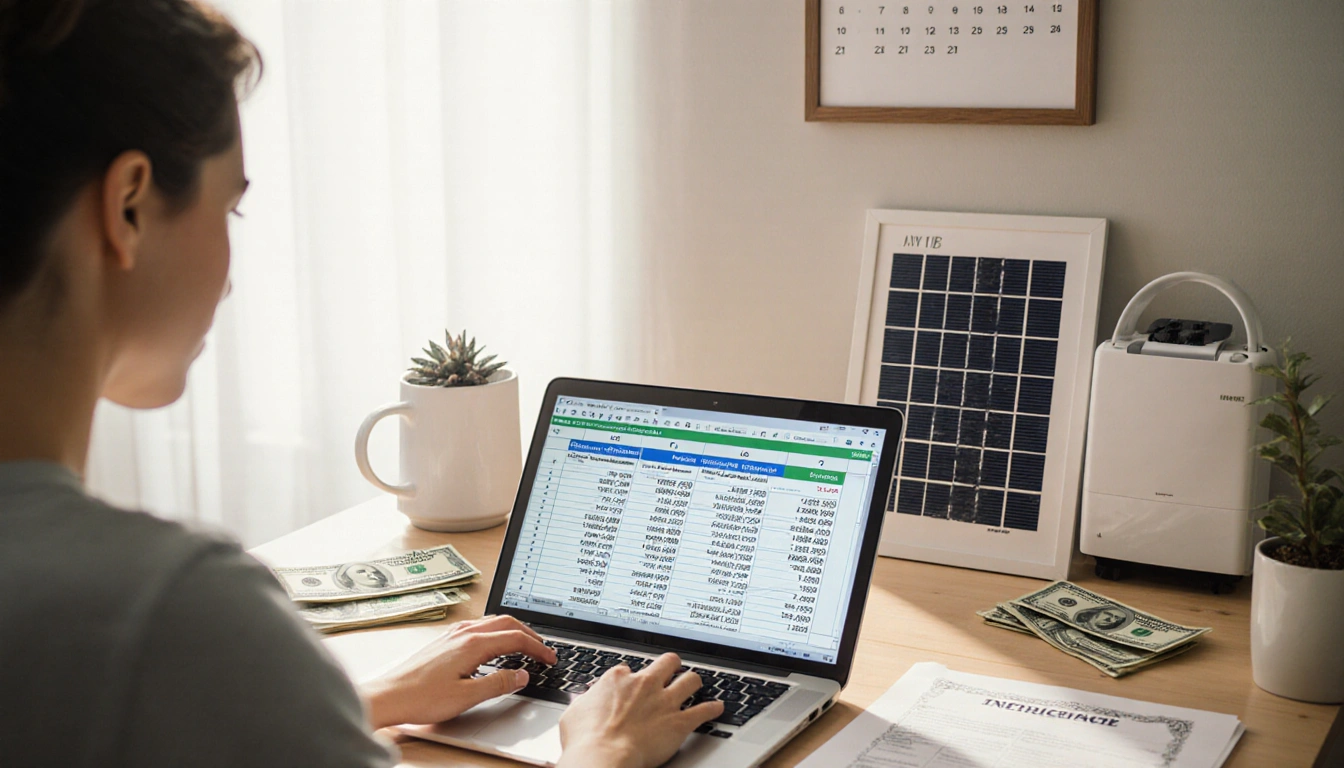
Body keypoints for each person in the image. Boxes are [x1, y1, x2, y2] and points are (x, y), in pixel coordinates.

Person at [0, 1, 723, 766]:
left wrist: (351, 705)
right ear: (129, 205)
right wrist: (604, 750)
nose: (232, 276)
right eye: (231, 206)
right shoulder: (174, 613)